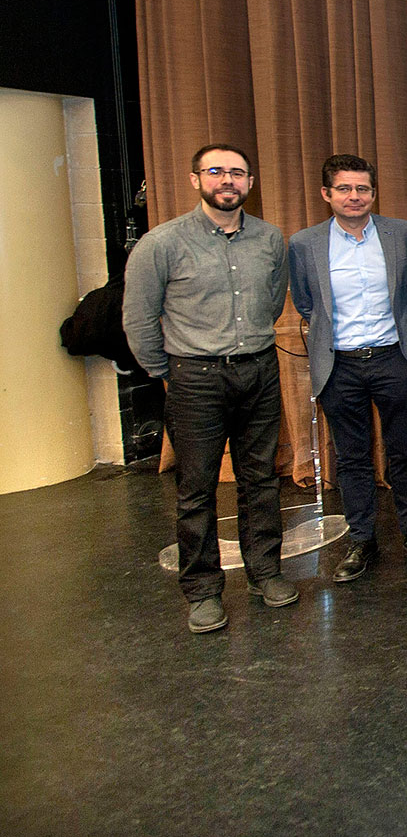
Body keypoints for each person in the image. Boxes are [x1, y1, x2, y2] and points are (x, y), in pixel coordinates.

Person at [122, 143, 293, 632]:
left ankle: (266, 573)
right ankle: (202, 590)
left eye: (237, 173)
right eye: (216, 171)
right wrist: (165, 370)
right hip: (194, 378)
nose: (227, 181)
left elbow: (274, 298)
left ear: (250, 183)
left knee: (260, 480)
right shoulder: (162, 243)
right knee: (196, 489)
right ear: (196, 179)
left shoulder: (268, 239)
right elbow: (137, 317)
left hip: (259, 371)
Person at [287, 153, 407, 582]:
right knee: (352, 458)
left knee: (404, 452)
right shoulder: (304, 243)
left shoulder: (400, 234)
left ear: (374, 192)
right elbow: (306, 303)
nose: (355, 197)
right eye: (345, 189)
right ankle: (361, 539)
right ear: (326, 194)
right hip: (338, 365)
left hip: (393, 358)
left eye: (363, 189)